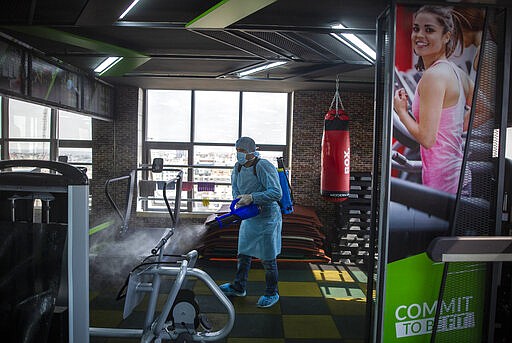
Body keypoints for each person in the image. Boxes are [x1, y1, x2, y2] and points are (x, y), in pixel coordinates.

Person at [394, 5, 474, 196]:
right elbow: (483, 109)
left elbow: (427, 139)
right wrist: (455, 128)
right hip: (458, 178)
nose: (419, 35)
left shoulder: (434, 76)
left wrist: (402, 112)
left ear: (446, 36)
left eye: (429, 30)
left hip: (445, 185)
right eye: (416, 29)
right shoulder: (457, 73)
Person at [219, 136, 283, 308]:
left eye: (242, 151)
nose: (239, 154)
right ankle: (239, 287)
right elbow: (235, 188)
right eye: (237, 150)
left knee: (268, 260)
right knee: (243, 254)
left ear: (251, 151)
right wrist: (239, 202)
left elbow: (277, 193)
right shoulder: (238, 167)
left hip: (268, 218)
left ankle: (272, 292)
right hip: (250, 217)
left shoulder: (263, 166)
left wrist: (253, 197)